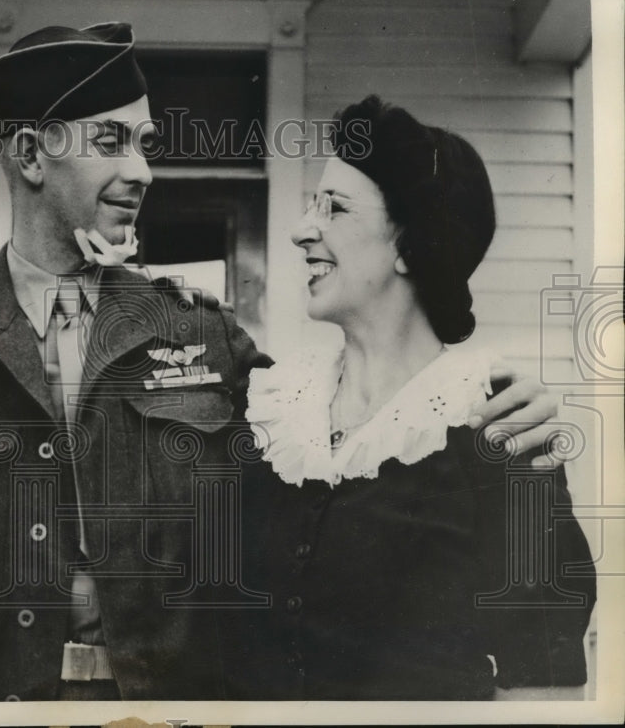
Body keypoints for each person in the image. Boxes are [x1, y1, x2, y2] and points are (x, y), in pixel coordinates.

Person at [0, 27, 568, 702]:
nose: (143, 171)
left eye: (146, 145)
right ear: (30, 155)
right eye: (111, 142)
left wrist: (511, 394)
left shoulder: (203, 336)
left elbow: (375, 420)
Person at [220, 96, 596, 700]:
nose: (300, 230)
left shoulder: (499, 428)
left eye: (334, 208)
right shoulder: (273, 411)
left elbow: (543, 690)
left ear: (410, 244)